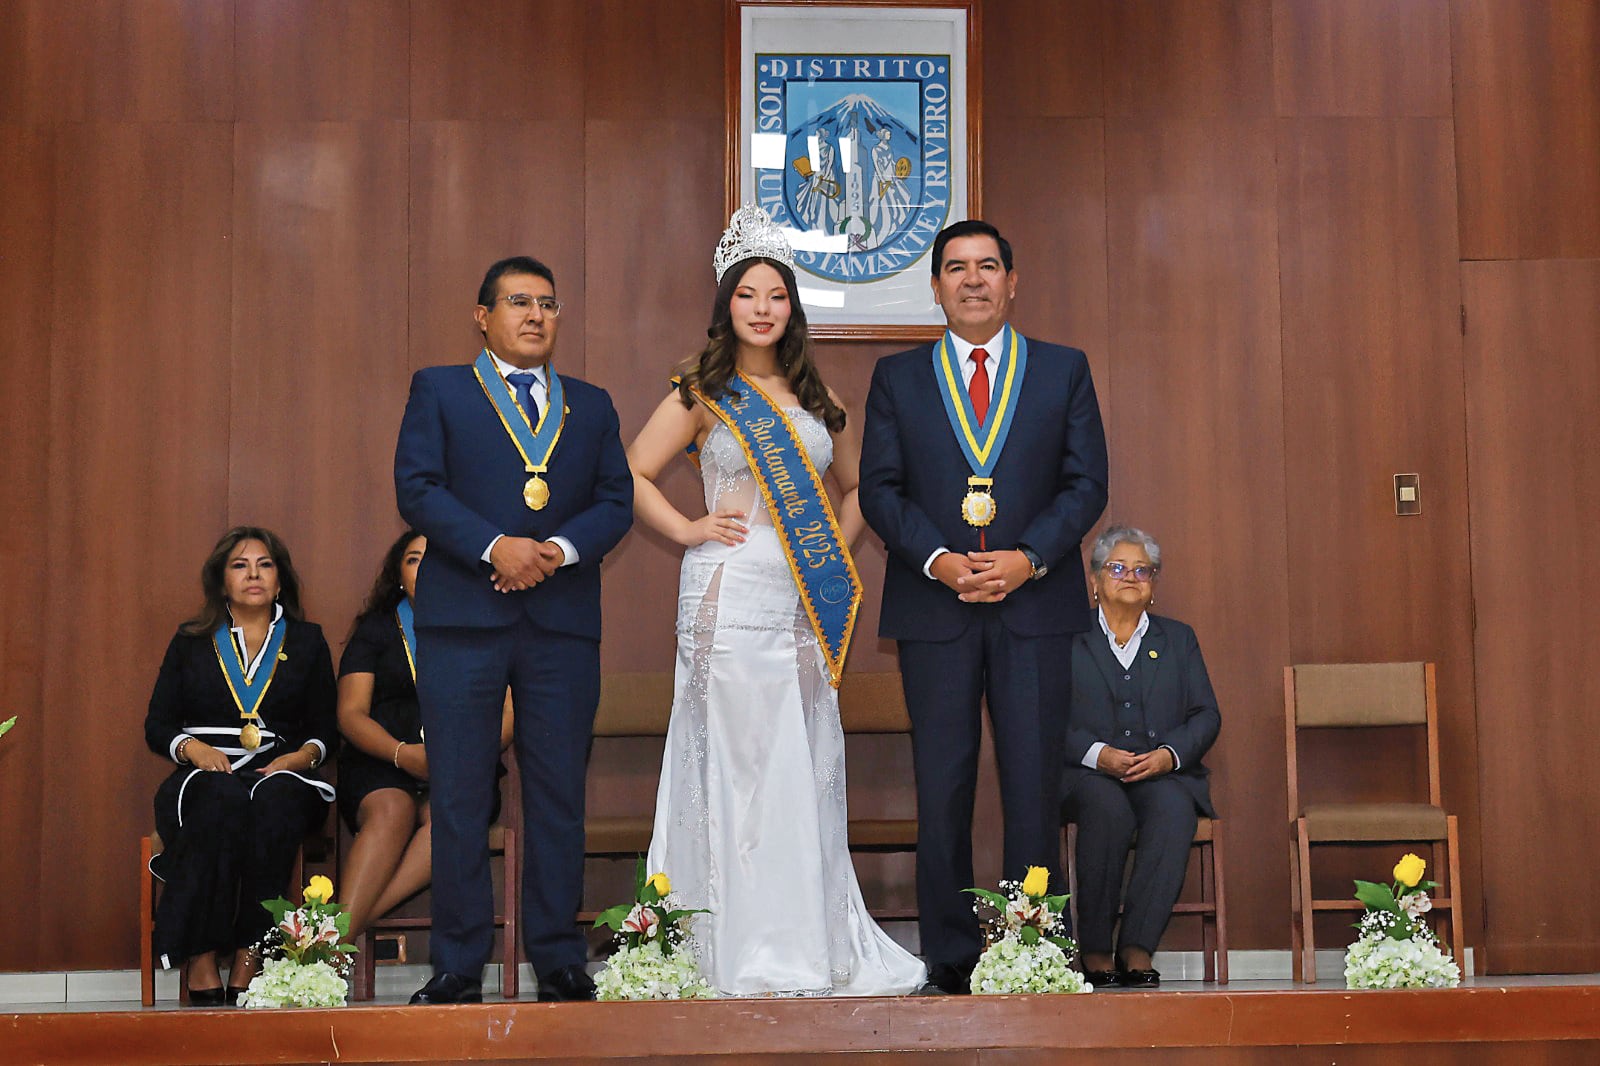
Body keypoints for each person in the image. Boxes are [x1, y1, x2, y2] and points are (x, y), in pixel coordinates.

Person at [628, 205, 926, 996]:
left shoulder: (817, 391)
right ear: (727, 304)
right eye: (747, 294)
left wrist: (828, 539)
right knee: (731, 760)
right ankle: (726, 944)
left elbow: (858, 488)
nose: (762, 308)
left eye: (777, 295)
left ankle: (801, 939)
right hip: (725, 590)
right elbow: (632, 473)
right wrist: (690, 527)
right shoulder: (702, 388)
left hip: (798, 596)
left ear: (793, 308)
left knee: (801, 758)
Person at [859, 219, 1109, 994]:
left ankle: (1033, 949)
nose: (973, 280)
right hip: (936, 610)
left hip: (1034, 607)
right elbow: (879, 489)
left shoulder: (1063, 370)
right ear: (934, 286)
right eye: (957, 268)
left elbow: (1086, 484)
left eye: (988, 266)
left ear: (1012, 282)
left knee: (1033, 785)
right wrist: (939, 560)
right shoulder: (898, 377)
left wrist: (1026, 559)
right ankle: (952, 956)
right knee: (944, 787)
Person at [394, 256, 633, 1004]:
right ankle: (458, 965)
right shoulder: (439, 389)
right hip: (463, 619)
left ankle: (557, 957)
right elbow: (418, 488)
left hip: (559, 625)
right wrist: (497, 547)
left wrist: (553, 552)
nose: (535, 315)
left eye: (548, 304)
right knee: (462, 795)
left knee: (559, 793)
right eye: (519, 302)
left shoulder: (590, 405)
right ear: (483, 315)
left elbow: (615, 501)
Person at [144, 526, 337, 1006]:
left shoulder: (309, 641)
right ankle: (204, 954)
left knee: (273, 802)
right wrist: (193, 750)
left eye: (265, 564)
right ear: (221, 580)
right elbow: (158, 724)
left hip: (280, 773)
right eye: (239, 565)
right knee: (220, 800)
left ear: (280, 578)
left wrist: (299, 757)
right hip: (205, 775)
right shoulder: (191, 640)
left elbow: (326, 729)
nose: (253, 574)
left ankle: (252, 951)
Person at [334, 530, 515, 938]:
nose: (428, 569)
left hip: (465, 763)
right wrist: (402, 754)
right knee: (391, 811)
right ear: (398, 575)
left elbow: (508, 712)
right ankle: (342, 930)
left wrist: (464, 756)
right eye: (415, 559)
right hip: (382, 760)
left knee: (450, 818)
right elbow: (350, 713)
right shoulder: (376, 630)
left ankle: (338, 932)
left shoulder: (485, 626)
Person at [1064, 525, 1220, 989]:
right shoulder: (1066, 637)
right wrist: (1098, 755)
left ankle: (1136, 947)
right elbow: (1044, 717)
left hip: (1161, 773)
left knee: (1175, 810)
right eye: (1117, 567)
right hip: (1086, 775)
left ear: (1153, 583)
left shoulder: (1179, 638)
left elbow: (1206, 715)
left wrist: (1170, 756)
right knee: (1107, 809)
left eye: (1142, 570)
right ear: (1094, 581)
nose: (1130, 576)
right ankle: (1093, 948)